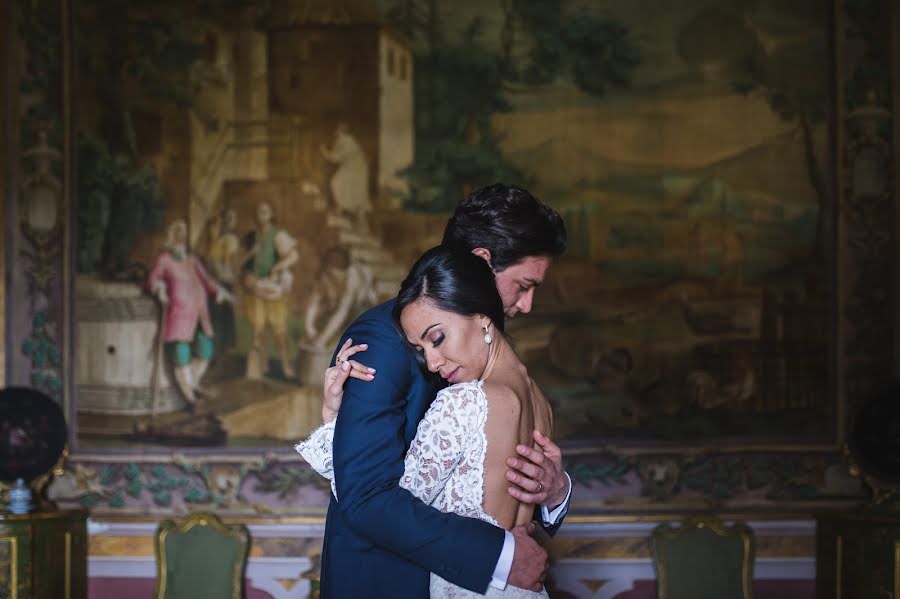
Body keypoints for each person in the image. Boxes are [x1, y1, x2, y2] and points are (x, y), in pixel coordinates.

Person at [295, 184, 570, 598]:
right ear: (482, 261)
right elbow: (367, 495)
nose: (527, 305)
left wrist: (555, 491)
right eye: (523, 285)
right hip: (388, 583)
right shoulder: (383, 341)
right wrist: (500, 555)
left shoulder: (494, 359)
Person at [147, 219, 233, 408]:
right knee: (181, 354)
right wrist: (160, 288)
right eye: (178, 234)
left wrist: (220, 292)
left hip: (199, 314)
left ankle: (192, 384)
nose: (181, 238)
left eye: (183, 234)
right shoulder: (164, 259)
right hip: (178, 316)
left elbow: (207, 280)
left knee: (205, 349)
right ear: (171, 237)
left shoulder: (192, 260)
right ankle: (189, 398)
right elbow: (153, 279)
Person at [243, 201, 299, 379]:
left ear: (271, 214)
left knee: (279, 330)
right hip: (256, 288)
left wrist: (276, 269)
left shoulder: (277, 234)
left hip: (273, 289)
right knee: (258, 330)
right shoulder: (253, 236)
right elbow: (244, 263)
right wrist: (248, 274)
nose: (262, 215)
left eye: (265, 212)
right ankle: (263, 364)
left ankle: (285, 365)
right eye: (259, 212)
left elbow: (293, 256)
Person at [302, 246, 378, 351]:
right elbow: (314, 302)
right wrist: (310, 330)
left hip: (364, 296)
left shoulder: (353, 279)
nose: (331, 278)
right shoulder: (325, 274)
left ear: (345, 272)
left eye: (335, 276)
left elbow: (341, 312)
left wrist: (322, 340)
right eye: (329, 274)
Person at [321, 123, 371, 223]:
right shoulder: (344, 140)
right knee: (340, 184)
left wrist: (324, 151)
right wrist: (328, 152)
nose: (336, 134)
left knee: (340, 184)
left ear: (342, 132)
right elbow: (337, 154)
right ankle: (343, 208)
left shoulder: (347, 141)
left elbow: (336, 158)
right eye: (337, 131)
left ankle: (352, 212)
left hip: (356, 168)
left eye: (338, 131)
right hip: (352, 167)